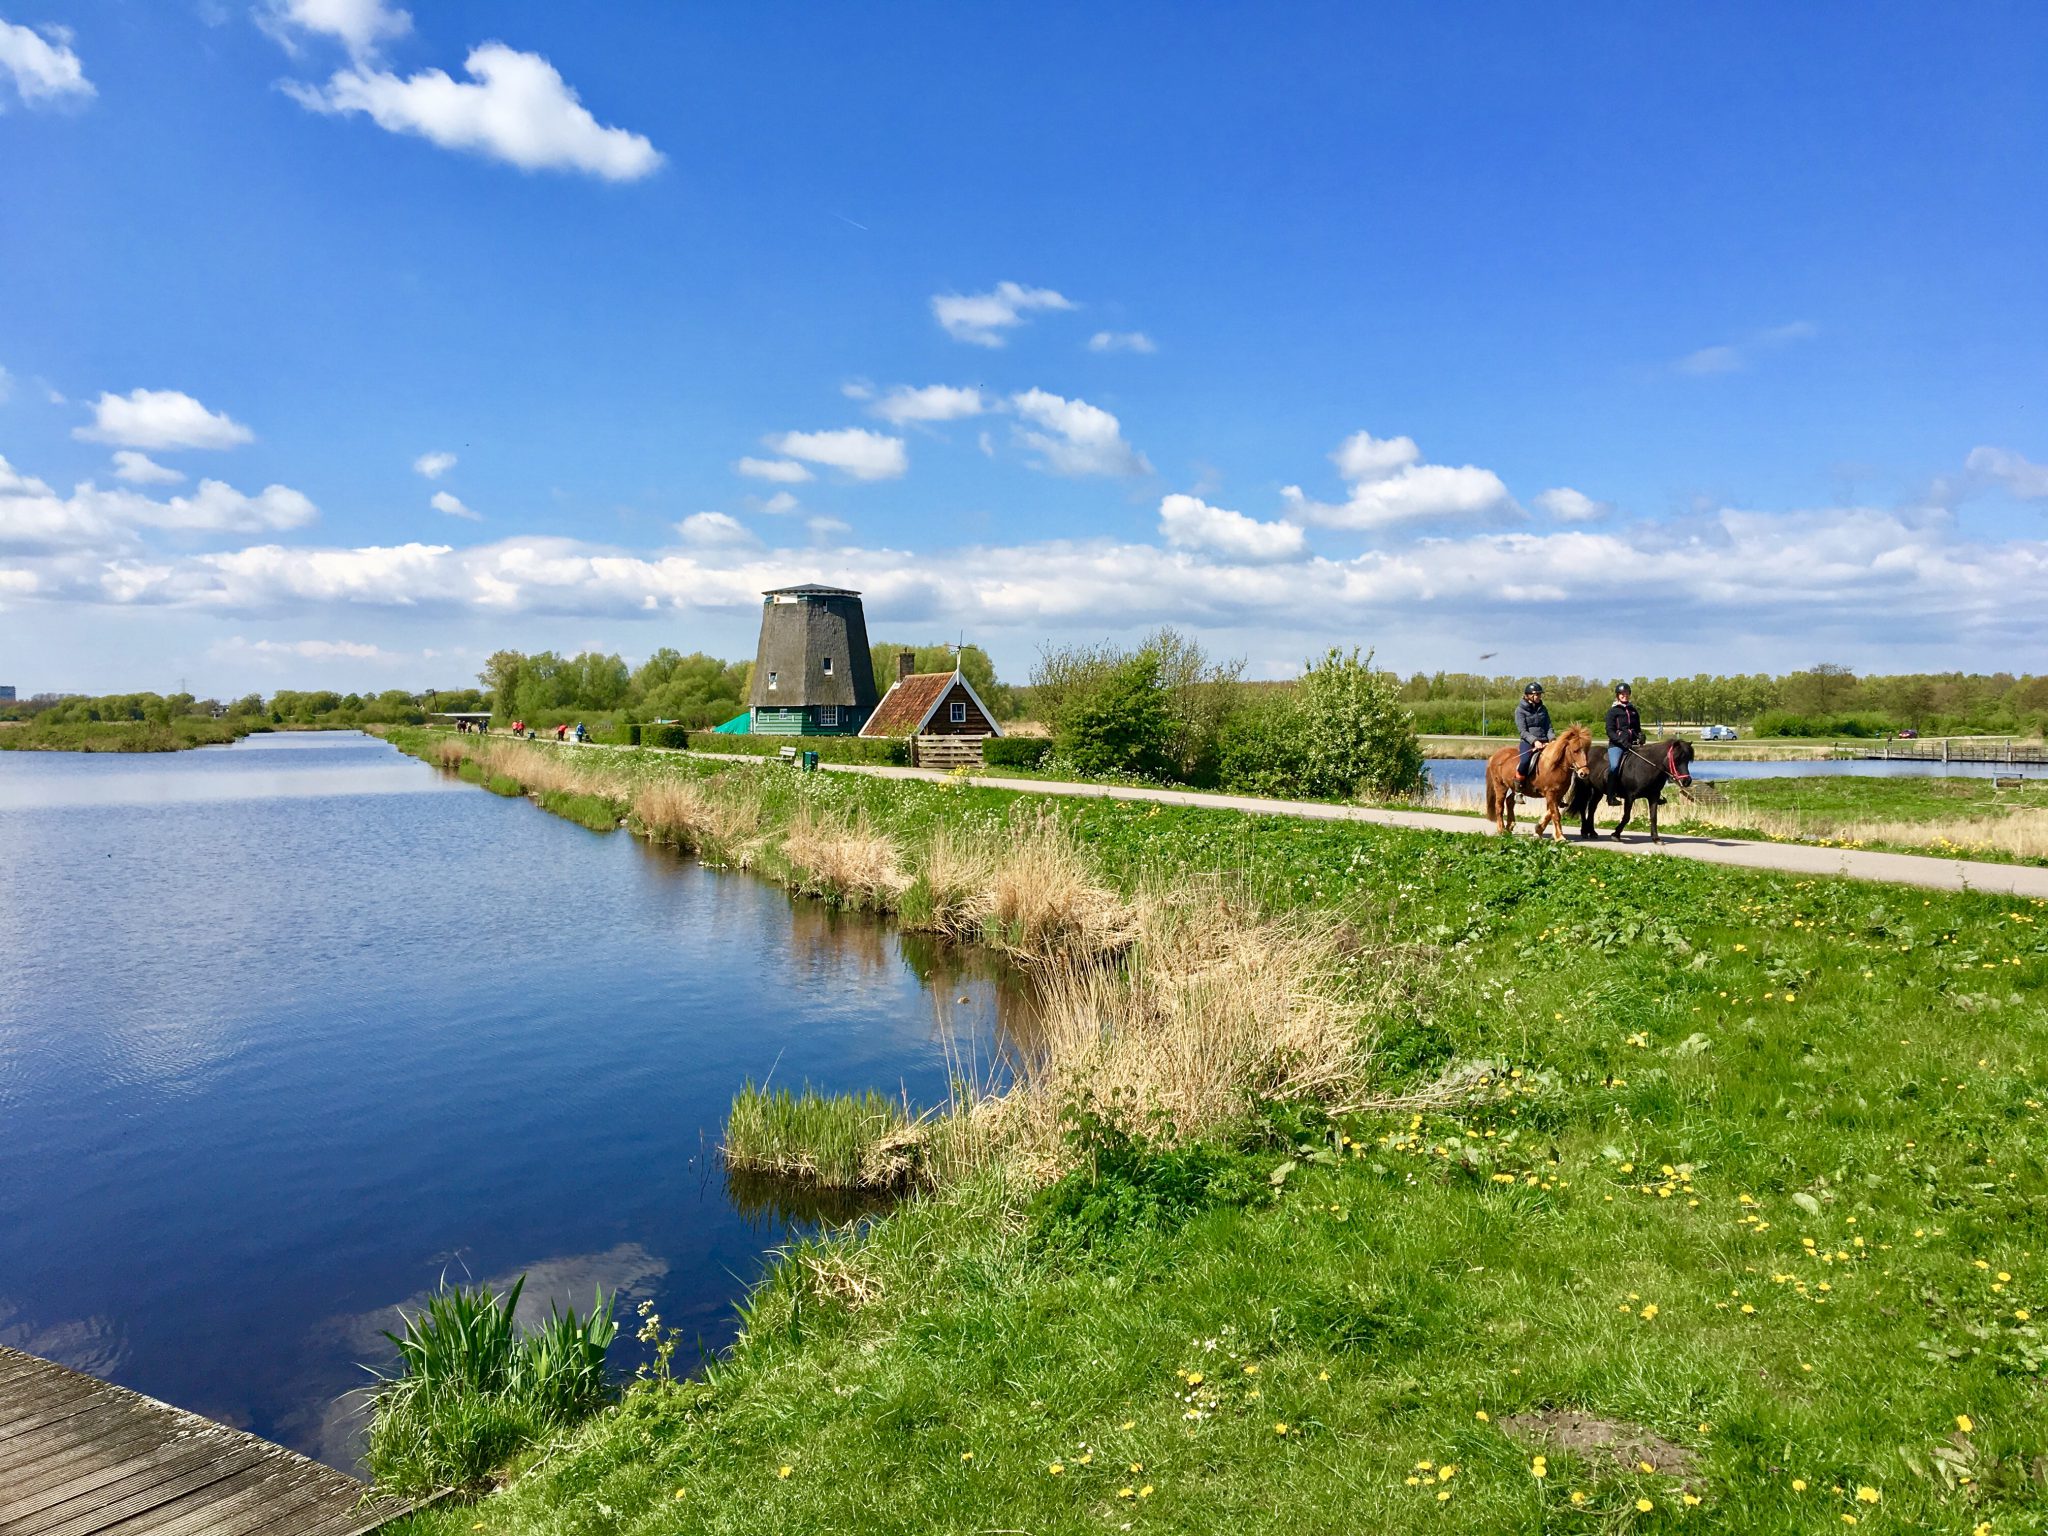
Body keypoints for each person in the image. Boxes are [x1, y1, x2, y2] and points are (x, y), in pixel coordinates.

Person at [1605, 681, 1643, 803]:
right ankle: (1610, 796)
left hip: (1633, 744)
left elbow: (1637, 729)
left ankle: (1654, 793)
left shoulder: (1633, 711)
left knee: (1650, 763)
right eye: (1622, 694)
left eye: (1626, 693)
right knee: (1615, 766)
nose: (1624, 695)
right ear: (1617, 695)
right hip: (1617, 745)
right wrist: (1621, 741)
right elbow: (1610, 731)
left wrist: (1641, 736)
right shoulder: (1613, 711)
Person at [1514, 682, 1552, 789]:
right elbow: (1523, 731)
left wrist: (1552, 739)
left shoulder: (1543, 709)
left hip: (1545, 741)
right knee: (1525, 761)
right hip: (1528, 742)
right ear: (1528, 696)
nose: (1539, 697)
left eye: (1540, 694)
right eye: (1537, 694)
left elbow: (1548, 727)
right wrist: (1535, 741)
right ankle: (1518, 787)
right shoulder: (1520, 710)